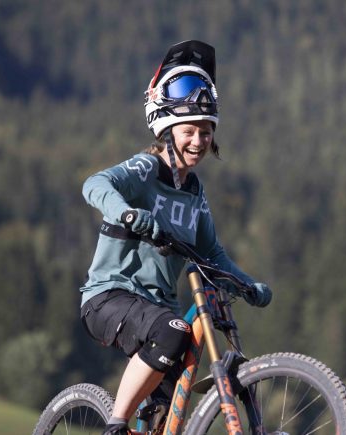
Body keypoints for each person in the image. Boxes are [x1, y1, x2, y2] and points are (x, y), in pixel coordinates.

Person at [79, 40, 273, 435]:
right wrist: (130, 213)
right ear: (166, 131)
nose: (198, 141)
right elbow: (95, 184)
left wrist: (246, 285)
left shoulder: (195, 193)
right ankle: (115, 426)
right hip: (110, 296)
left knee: (166, 416)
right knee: (173, 332)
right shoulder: (145, 169)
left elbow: (212, 253)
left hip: (159, 311)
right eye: (189, 131)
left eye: (206, 132)